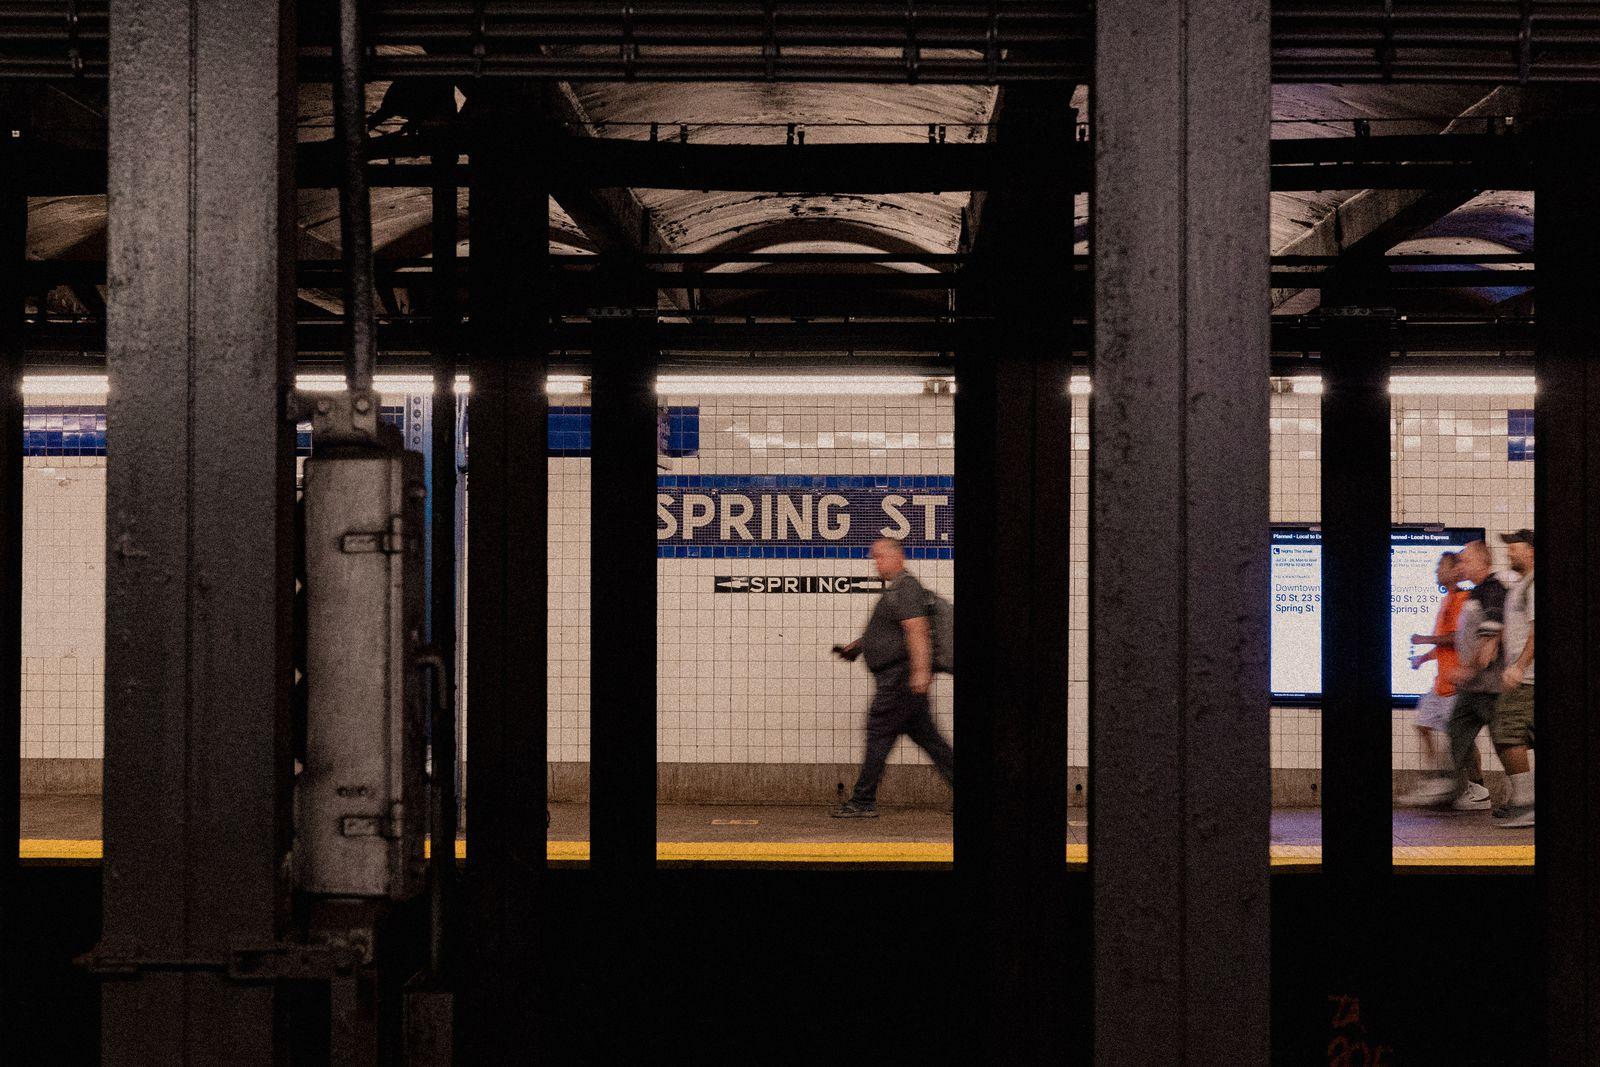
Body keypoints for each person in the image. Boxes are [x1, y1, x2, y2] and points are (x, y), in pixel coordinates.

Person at [830, 538, 954, 818]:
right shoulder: (898, 589)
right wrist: (856, 648)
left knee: (878, 735)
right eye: (874, 558)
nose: (876, 563)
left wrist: (921, 673)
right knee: (931, 741)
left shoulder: (906, 587)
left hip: (899, 681)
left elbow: (916, 630)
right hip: (902, 681)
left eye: (880, 557)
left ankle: (863, 801)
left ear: (898, 557)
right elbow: (890, 632)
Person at [1398, 552, 1489, 808]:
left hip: (1457, 685)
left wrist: (1424, 640)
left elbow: (1457, 638)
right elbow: (1443, 644)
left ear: (1454, 571)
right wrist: (1424, 658)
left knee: (1462, 740)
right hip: (1441, 683)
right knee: (1423, 725)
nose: (1436, 570)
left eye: (1441, 566)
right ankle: (1438, 780)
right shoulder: (1446, 600)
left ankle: (1478, 788)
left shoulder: (1463, 599)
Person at [1439, 540, 1507, 812]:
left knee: (1505, 742)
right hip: (1473, 688)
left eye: (1466, 560)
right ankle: (1456, 789)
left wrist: (1468, 669)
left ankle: (1523, 796)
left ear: (1482, 562)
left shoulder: (1492, 590)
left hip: (1490, 686)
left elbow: (1490, 636)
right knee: (1456, 731)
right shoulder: (1476, 592)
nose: (1461, 565)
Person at [1492, 529, 1535, 828]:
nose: (1509, 552)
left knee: (1507, 735)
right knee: (1510, 735)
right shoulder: (1521, 584)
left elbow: (1536, 630)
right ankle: (1523, 799)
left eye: (1514, 547)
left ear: (1531, 551)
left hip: (1526, 679)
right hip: (1521, 678)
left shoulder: (1533, 584)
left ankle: (1526, 802)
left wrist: (1519, 667)